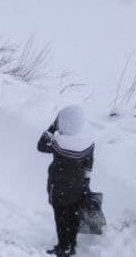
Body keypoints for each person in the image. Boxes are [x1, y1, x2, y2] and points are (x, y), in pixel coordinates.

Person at [37, 105, 95, 257]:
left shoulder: (59, 143)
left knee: (60, 217)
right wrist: (86, 182)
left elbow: (41, 145)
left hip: (59, 186)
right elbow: (89, 164)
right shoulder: (88, 143)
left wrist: (52, 127)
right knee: (73, 215)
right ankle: (72, 245)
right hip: (78, 185)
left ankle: (63, 247)